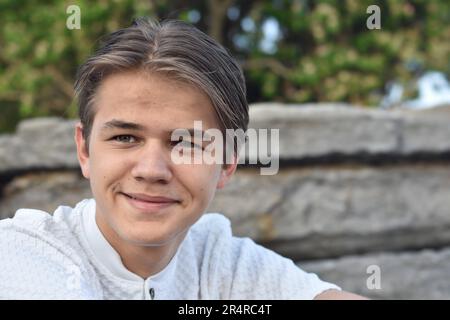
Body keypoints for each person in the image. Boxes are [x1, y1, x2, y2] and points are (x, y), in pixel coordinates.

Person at [0, 18, 364, 300]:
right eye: (125, 137)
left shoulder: (218, 258)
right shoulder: (20, 255)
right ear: (84, 150)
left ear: (227, 163)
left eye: (187, 143)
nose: (151, 170)